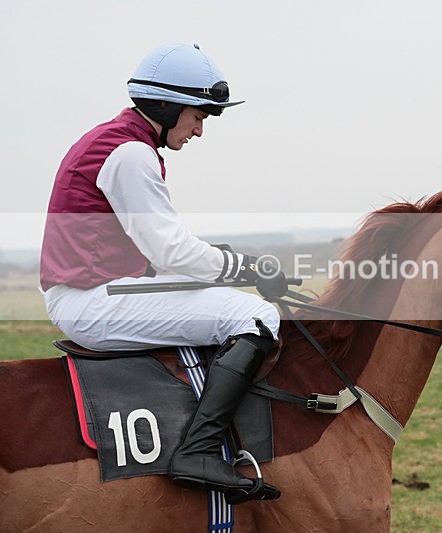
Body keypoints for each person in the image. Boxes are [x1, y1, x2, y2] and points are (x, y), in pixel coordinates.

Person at [40, 43, 285, 504]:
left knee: (226, 297)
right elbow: (172, 250)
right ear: (166, 105)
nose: (199, 130)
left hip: (99, 289)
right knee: (256, 318)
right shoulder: (130, 154)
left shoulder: (115, 141)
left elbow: (159, 252)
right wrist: (242, 267)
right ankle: (198, 451)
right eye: (199, 116)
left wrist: (227, 265)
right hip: (94, 301)